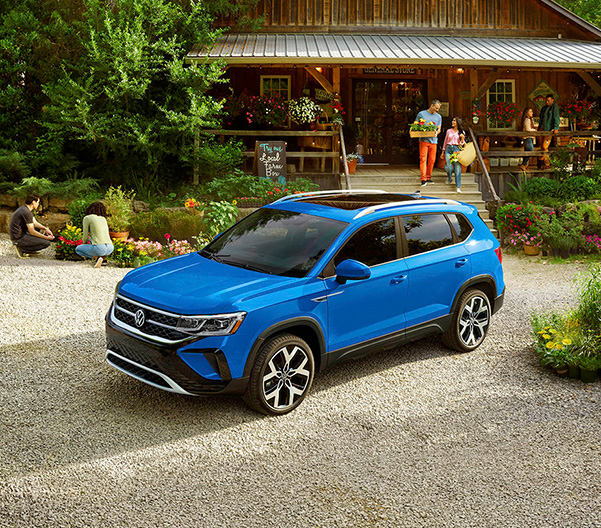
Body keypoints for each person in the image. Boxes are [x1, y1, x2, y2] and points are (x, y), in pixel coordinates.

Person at [9, 194, 54, 259]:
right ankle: (22, 248)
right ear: (33, 202)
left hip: (21, 234)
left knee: (37, 229)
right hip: (18, 238)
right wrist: (46, 238)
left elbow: (35, 223)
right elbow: (32, 231)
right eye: (38, 202)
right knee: (46, 243)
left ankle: (28, 248)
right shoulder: (26, 212)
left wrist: (45, 229)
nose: (38, 204)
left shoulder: (26, 209)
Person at [75, 202, 114, 268]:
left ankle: (96, 257)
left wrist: (84, 245)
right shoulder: (103, 218)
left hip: (99, 248)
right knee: (92, 239)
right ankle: (103, 259)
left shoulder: (87, 218)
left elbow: (85, 236)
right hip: (110, 248)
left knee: (78, 249)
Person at [415, 100, 442, 186]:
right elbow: (416, 124)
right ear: (432, 105)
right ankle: (423, 178)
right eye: (436, 108)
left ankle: (428, 176)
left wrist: (436, 133)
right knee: (423, 159)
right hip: (423, 140)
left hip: (434, 141)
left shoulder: (438, 117)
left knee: (432, 160)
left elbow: (439, 129)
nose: (437, 110)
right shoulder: (421, 114)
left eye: (438, 108)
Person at [440, 117, 465, 193]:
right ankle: (449, 178)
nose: (452, 121)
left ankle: (458, 186)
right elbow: (445, 141)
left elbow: (462, 144)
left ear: (458, 122)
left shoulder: (462, 132)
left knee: (457, 169)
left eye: (454, 120)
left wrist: (462, 139)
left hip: (457, 150)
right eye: (452, 120)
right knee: (448, 167)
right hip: (448, 149)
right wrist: (443, 152)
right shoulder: (448, 131)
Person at [538, 94, 560, 169]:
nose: (547, 102)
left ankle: (547, 163)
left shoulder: (554, 107)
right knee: (541, 147)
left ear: (553, 100)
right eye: (546, 100)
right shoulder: (544, 108)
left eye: (549, 100)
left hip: (548, 130)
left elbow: (556, 117)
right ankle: (542, 163)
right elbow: (541, 118)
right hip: (541, 129)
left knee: (545, 146)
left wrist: (556, 127)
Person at [519, 107, 537, 171]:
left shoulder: (528, 120)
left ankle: (524, 165)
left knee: (527, 151)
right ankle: (523, 164)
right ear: (527, 113)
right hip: (528, 137)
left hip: (528, 137)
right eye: (530, 111)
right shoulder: (527, 120)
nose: (532, 113)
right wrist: (534, 130)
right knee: (530, 151)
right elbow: (528, 129)